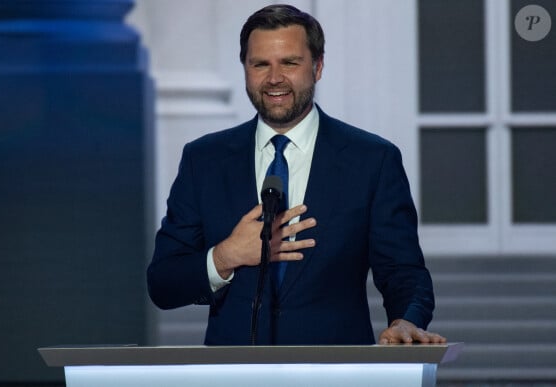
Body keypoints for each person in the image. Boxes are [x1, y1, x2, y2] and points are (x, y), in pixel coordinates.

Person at [147, 4, 446, 346]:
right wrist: (225, 256)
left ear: (317, 67)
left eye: (289, 62)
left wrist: (406, 320)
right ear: (245, 69)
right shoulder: (203, 160)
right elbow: (163, 283)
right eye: (260, 64)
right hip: (233, 375)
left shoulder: (372, 160)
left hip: (336, 373)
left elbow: (403, 271)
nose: (274, 78)